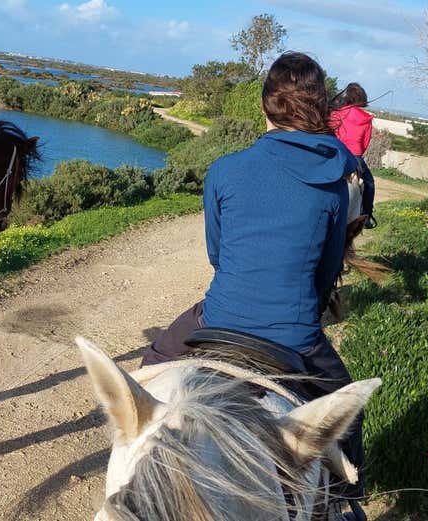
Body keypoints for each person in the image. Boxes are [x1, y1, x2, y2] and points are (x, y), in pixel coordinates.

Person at [141, 52, 367, 520]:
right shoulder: (334, 186)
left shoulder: (224, 169)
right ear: (319, 109)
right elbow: (324, 275)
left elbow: (218, 254)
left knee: (153, 363)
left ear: (264, 107)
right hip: (295, 335)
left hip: (219, 318)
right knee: (349, 407)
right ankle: (347, 502)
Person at [331, 83, 376, 228]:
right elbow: (365, 143)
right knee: (369, 183)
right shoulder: (366, 118)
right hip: (355, 157)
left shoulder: (337, 113)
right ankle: (367, 216)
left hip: (336, 153)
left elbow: (331, 133)